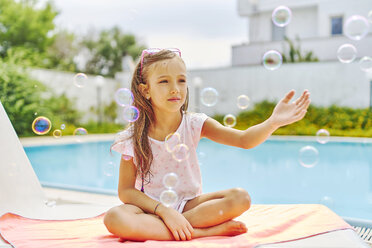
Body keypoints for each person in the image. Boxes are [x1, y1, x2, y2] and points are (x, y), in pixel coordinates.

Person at [103, 48, 311, 241]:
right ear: (145, 90)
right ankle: (202, 232)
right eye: (164, 81)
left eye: (181, 80)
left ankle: (165, 228)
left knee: (240, 198)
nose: (175, 89)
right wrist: (164, 211)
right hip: (150, 209)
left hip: (188, 205)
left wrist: (273, 122)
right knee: (114, 218)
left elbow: (244, 140)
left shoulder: (195, 123)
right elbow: (126, 192)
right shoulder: (132, 136)